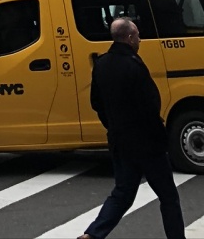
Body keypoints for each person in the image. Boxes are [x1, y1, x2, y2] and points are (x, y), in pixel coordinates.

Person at [79, 16, 185, 239]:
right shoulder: (134, 65)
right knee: (168, 196)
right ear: (129, 38)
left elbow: (96, 103)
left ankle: (93, 234)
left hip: (119, 140)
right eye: (137, 35)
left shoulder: (101, 64)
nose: (140, 39)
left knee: (123, 193)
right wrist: (159, 135)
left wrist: (112, 125)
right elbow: (150, 104)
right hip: (147, 144)